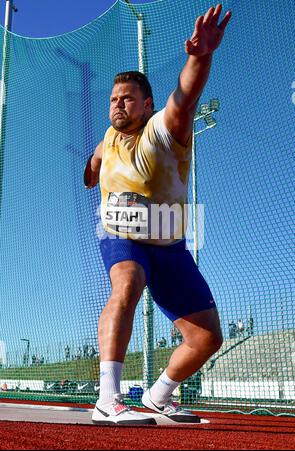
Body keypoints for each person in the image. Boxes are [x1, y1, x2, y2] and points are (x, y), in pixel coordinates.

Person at [85, 4, 231, 425]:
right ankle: (107, 398)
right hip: (122, 236)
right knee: (127, 282)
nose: (117, 104)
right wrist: (92, 170)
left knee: (207, 337)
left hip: (168, 242)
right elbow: (94, 164)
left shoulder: (164, 129)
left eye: (127, 99)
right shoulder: (107, 139)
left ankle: (158, 395)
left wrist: (200, 55)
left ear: (147, 104)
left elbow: (185, 97)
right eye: (113, 99)